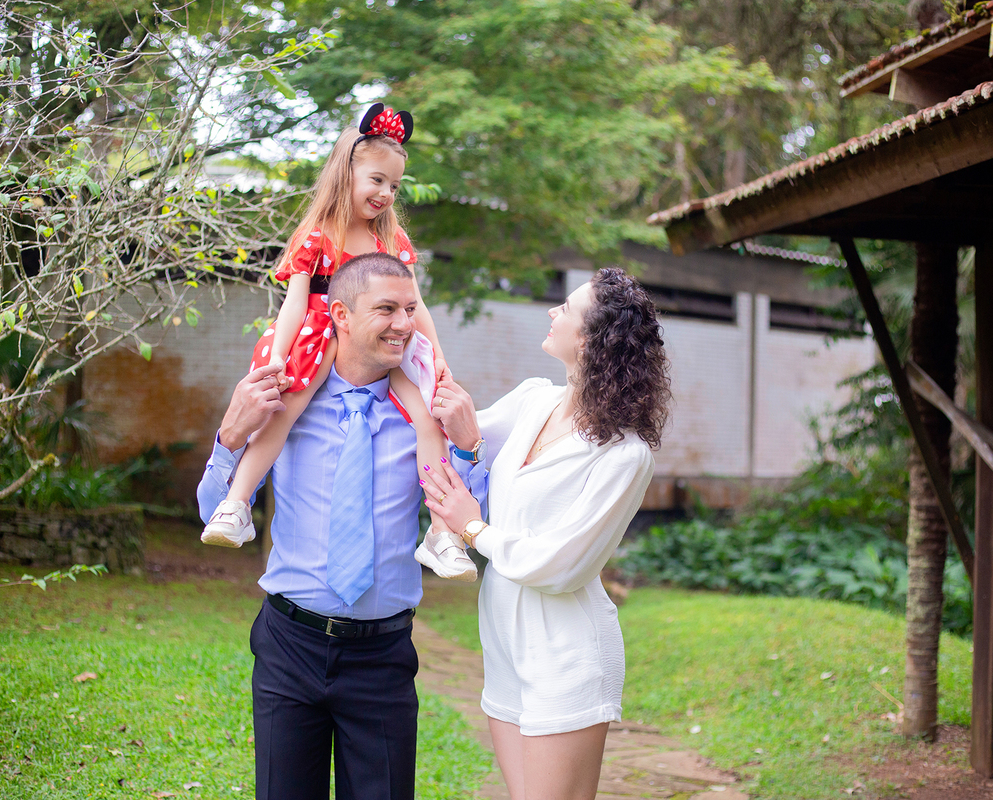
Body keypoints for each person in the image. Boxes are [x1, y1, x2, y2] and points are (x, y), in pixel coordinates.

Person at [197, 252, 488, 800]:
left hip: (383, 657)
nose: (404, 324)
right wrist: (229, 437)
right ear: (340, 315)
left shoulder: (426, 412)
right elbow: (211, 512)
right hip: (288, 646)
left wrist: (470, 446)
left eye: (410, 309)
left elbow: (476, 520)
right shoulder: (285, 402)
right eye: (386, 309)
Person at [417, 268, 672, 800]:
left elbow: (563, 566)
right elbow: (452, 430)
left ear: (590, 339)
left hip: (566, 655)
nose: (552, 312)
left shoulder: (625, 455)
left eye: (566, 308)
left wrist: (473, 527)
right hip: (505, 645)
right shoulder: (534, 400)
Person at [201, 103, 475, 583]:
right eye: (377, 180)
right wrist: (278, 357)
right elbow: (294, 304)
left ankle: (440, 531)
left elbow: (417, 306)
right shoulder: (317, 235)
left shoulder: (391, 240)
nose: (386, 193)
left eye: (394, 186)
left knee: (428, 417)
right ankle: (236, 503)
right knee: (283, 408)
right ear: (346, 173)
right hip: (319, 333)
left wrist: (438, 358)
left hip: (384, 340)